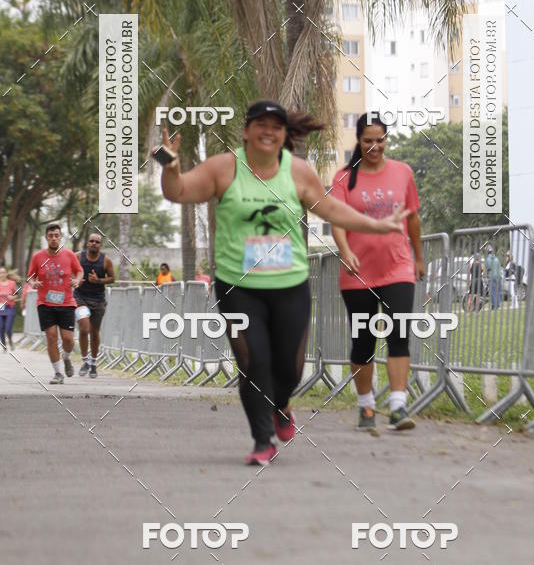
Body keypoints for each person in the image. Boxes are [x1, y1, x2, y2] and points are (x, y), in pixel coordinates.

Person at [158, 99, 409, 465]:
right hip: (238, 286)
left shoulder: (298, 172)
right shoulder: (223, 168)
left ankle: (281, 404)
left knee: (289, 370)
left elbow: (332, 209)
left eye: (276, 126)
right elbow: (177, 191)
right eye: (260, 124)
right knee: (253, 362)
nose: (268, 131)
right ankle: (262, 440)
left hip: (289, 285)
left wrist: (377, 225)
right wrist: (170, 166)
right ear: (246, 131)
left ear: (283, 135)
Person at [330, 112, 424, 433]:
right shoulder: (344, 178)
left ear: (386, 139)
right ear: (358, 141)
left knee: (399, 334)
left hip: (398, 267)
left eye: (380, 140)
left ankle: (398, 406)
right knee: (363, 341)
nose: (374, 146)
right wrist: (345, 251)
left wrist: (419, 258)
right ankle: (366, 405)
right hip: (358, 273)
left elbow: (412, 218)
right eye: (368, 140)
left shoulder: (403, 172)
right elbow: (337, 220)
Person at [27, 223, 83, 384]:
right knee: (51, 337)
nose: (53, 238)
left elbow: (79, 271)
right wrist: (33, 283)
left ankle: (66, 357)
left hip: (66, 303)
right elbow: (30, 276)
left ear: (60, 237)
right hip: (45, 303)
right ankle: (58, 374)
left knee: (68, 339)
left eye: (56, 235)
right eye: (50, 236)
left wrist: (77, 280)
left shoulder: (69, 255)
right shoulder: (38, 257)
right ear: (46, 238)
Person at [75, 233, 115, 377]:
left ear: (100, 245)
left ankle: (93, 363)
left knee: (94, 332)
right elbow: (69, 273)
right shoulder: (78, 257)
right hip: (80, 298)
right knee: (84, 327)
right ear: (87, 243)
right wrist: (76, 280)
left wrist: (98, 281)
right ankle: (85, 360)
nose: (94, 243)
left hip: (98, 300)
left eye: (97, 242)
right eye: (91, 241)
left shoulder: (106, 261)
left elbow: (112, 278)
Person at [0, 266, 18, 351]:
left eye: (3, 272)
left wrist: (12, 297)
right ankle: (4, 345)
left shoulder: (12, 283)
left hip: (10, 307)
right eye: (0, 273)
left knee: (7, 328)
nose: (2, 274)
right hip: (0, 308)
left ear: (6, 273)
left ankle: (10, 340)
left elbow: (16, 294)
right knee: (1, 328)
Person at [485, 244, 502, 310]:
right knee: (498, 291)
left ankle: (494, 305)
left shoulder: (487, 259)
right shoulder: (497, 259)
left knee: (493, 292)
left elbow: (487, 269)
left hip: (492, 277)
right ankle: (498, 305)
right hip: (499, 277)